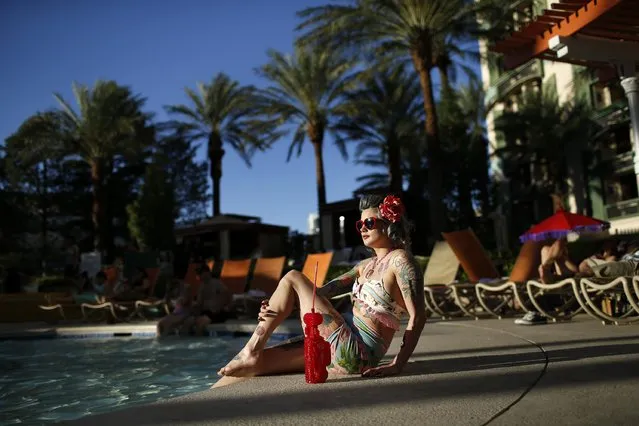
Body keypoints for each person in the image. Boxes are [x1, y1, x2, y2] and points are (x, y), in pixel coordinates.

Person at [214, 194, 426, 388]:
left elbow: (418, 316)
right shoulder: (364, 266)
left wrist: (398, 364)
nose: (362, 228)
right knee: (249, 367)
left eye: (369, 223)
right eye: (360, 223)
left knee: (292, 276)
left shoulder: (401, 261)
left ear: (390, 224)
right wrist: (273, 307)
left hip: (357, 353)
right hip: (335, 345)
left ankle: (250, 348)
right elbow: (320, 294)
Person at [180, 264, 232, 336]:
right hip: (206, 312)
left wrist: (221, 306)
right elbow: (199, 303)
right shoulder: (202, 287)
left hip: (217, 313)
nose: (199, 276)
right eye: (198, 274)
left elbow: (227, 296)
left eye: (200, 273)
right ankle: (186, 343)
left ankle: (198, 342)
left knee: (201, 323)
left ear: (207, 273)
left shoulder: (217, 284)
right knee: (188, 322)